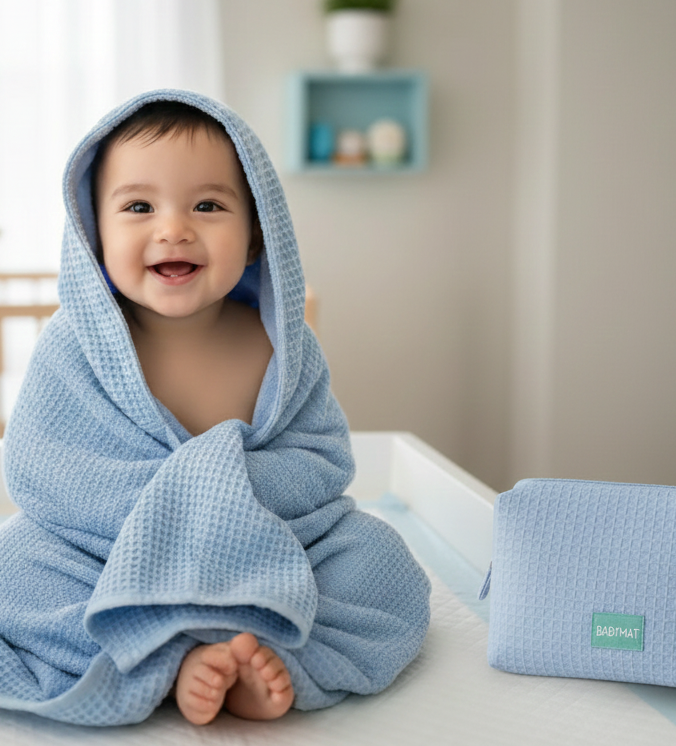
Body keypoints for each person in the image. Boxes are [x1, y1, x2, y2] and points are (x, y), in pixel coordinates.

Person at [0, 90, 430, 727]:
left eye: (207, 205)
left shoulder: (280, 342)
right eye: (139, 206)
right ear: (95, 230)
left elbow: (319, 460)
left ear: (257, 234)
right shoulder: (76, 344)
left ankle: (258, 656)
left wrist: (229, 495)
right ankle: (172, 657)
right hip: (107, 554)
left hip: (269, 547)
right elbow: (46, 469)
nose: (174, 228)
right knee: (17, 571)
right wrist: (174, 505)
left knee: (380, 564)